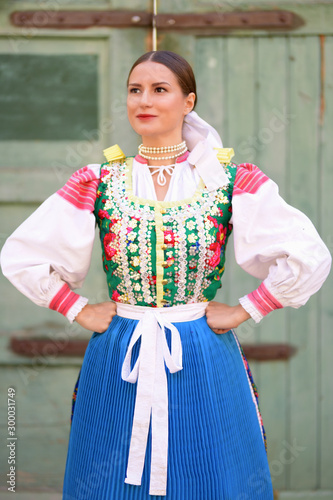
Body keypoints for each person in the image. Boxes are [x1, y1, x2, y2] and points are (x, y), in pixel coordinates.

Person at [1, 50, 331, 500]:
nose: (144, 100)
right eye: (135, 90)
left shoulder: (228, 180)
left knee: (209, 475)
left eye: (160, 90)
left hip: (201, 350)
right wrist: (75, 308)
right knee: (109, 474)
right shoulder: (98, 180)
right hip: (121, 353)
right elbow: (22, 254)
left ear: (188, 101)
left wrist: (246, 310)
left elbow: (308, 255)